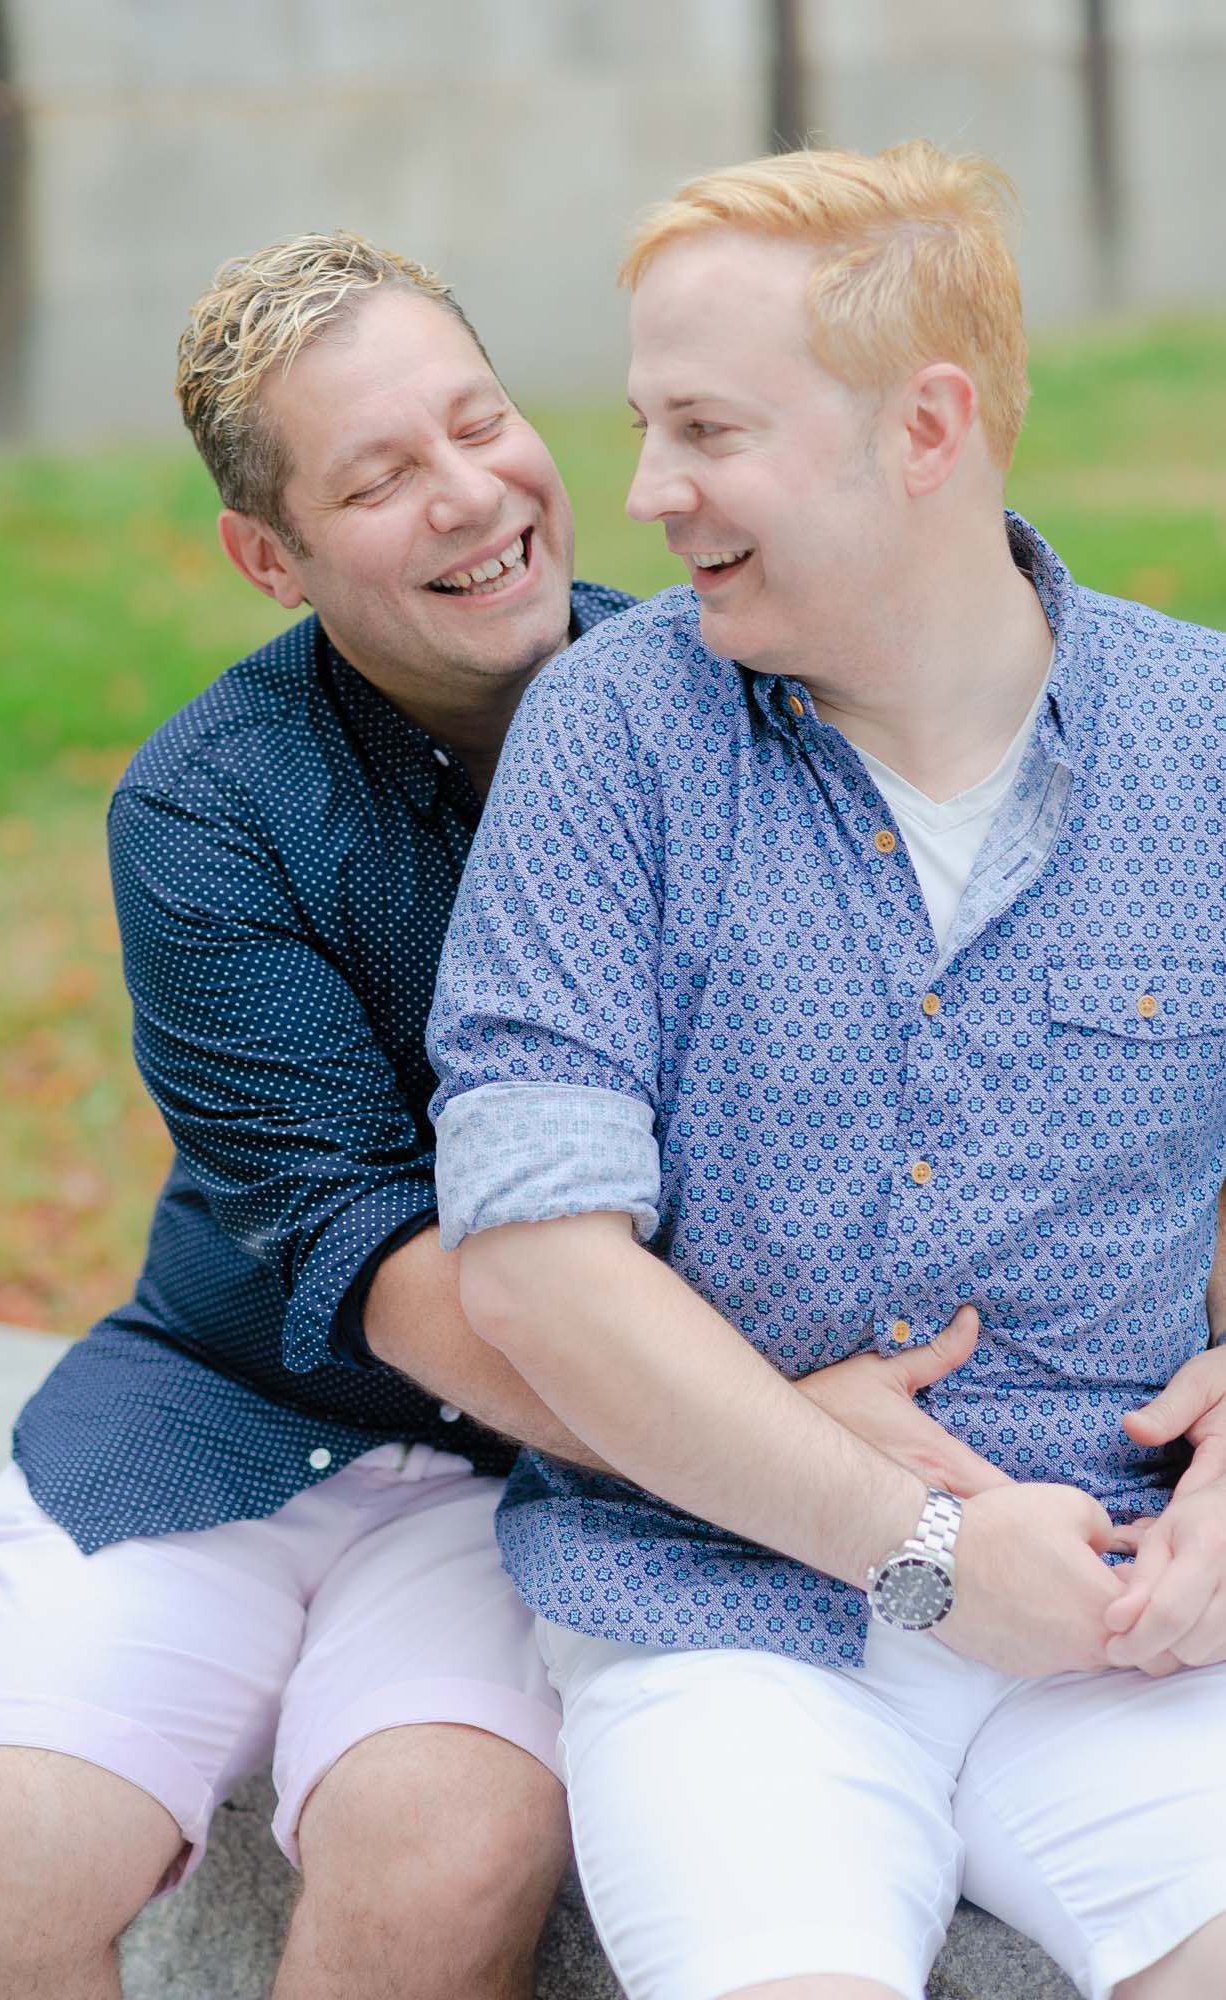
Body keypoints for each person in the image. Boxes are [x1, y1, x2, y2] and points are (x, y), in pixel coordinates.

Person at [0, 222, 1058, 2000]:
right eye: (377, 480)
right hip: (241, 1410)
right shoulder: (209, 812)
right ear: (270, 558)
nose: (468, 494)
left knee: (441, 1856)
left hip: (545, 1473)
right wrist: (772, 1448)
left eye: (480, 421)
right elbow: (366, 1247)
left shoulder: (745, 708)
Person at [428, 142, 1226, 2000]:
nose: (647, 491)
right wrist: (925, 1550)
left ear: (925, 428)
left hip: (1134, 1616)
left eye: (708, 429)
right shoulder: (611, 735)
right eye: (646, 425)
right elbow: (537, 1264)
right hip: (727, 1614)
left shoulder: (1208, 739)